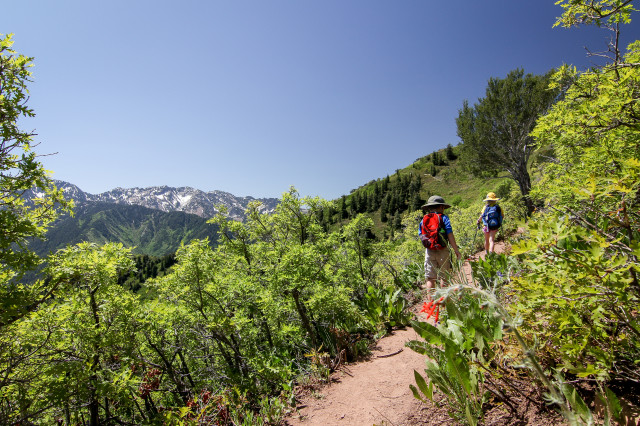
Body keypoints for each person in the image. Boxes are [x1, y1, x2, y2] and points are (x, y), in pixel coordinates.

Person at [419, 195, 461, 301]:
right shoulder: (444, 218)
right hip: (443, 250)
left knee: (430, 278)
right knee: (444, 277)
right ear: (442, 207)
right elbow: (450, 234)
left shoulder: (424, 220)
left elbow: (421, 236)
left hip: (429, 251)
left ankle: (430, 303)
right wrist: (456, 250)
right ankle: (443, 302)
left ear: (429, 208)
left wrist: (431, 244)